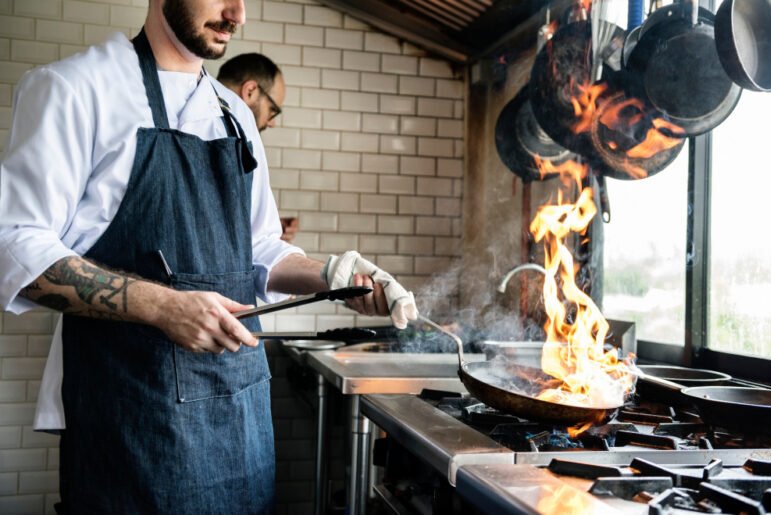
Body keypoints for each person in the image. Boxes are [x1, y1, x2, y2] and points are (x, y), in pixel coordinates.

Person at [0, 0, 417, 513]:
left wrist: (332, 275)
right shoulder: (75, 89)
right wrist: (163, 307)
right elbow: (14, 244)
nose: (237, 14)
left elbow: (258, 247)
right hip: (132, 421)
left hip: (240, 419)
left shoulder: (235, 114)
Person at [217, 52, 298, 243]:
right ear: (250, 91)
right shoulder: (221, 138)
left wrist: (264, 230)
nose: (271, 123)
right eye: (273, 110)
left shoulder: (239, 139)